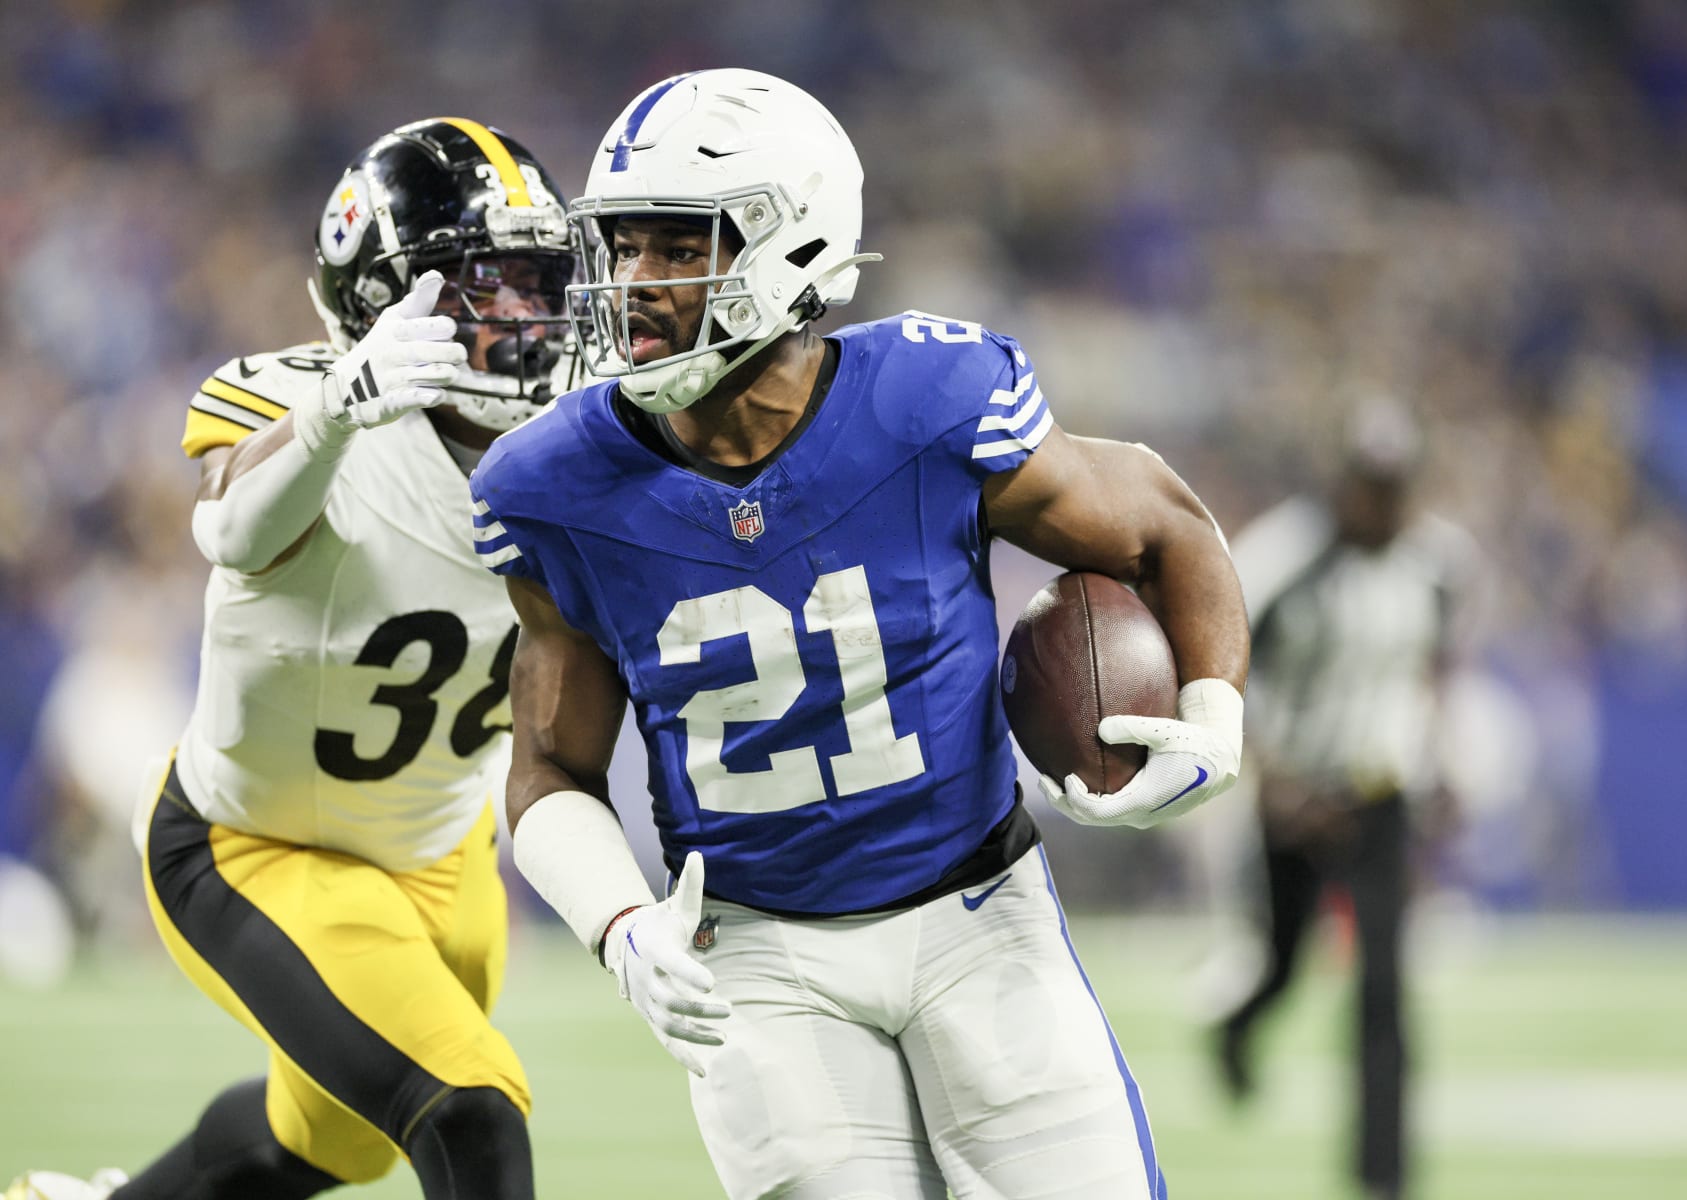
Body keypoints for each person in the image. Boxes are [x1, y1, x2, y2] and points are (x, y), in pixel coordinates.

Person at [470, 69, 1249, 1200]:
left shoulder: (928, 401)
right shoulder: (552, 484)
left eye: (676, 249)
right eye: (621, 247)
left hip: (981, 917)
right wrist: (621, 924)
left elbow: (1165, 524)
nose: (632, 285)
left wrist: (1215, 718)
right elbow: (548, 765)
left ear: (789, 247)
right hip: (760, 956)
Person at [6, 118, 577, 1200]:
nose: (524, 317)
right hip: (249, 845)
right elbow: (228, 525)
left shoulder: (583, 444)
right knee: (470, 1107)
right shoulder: (300, 400)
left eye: (539, 280)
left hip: (441, 853)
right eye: (483, 287)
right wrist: (337, 410)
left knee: (336, 1138)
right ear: (378, 302)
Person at [1202, 400, 1472, 1200]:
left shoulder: (1436, 562)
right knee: (1284, 966)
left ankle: (1381, 1177)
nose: (1382, 505)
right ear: (1343, 482)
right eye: (1370, 486)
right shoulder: (1284, 555)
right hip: (1298, 793)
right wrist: (1273, 778)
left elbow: (1436, 663)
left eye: (1394, 487)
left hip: (1382, 791)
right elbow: (1222, 659)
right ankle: (1238, 1028)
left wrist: (1442, 757)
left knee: (1385, 986)